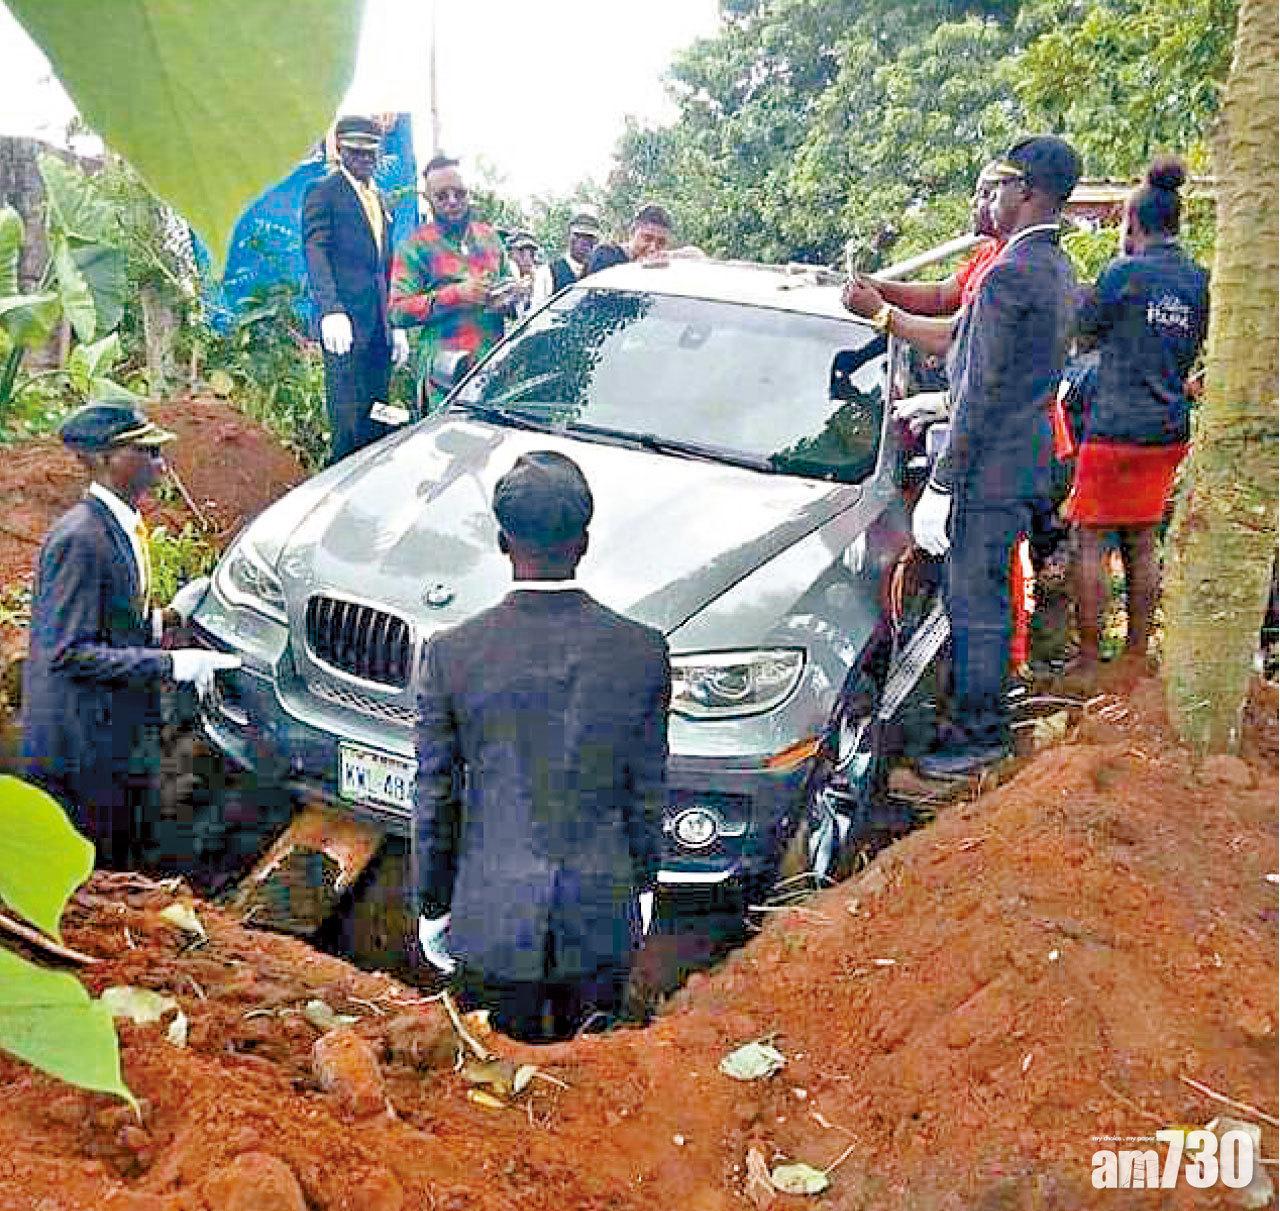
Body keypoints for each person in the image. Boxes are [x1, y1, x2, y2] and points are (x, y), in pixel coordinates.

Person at [410, 451, 670, 1042]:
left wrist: (433, 905)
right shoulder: (641, 651)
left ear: (504, 543)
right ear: (583, 542)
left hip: (490, 921)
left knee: (497, 1090)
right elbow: (646, 790)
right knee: (587, 1090)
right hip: (601, 913)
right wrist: (645, 886)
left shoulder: (454, 654)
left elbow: (436, 799)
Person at [909, 136, 1081, 778]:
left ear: (1027, 192)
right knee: (987, 601)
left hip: (992, 465)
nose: (989, 199)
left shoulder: (1011, 274)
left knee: (975, 603)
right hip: (1021, 457)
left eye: (998, 187)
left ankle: (977, 737)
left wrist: (944, 483)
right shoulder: (1053, 267)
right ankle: (979, 721)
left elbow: (981, 391)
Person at [20, 404, 240, 868]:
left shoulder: (117, 527)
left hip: (114, 740)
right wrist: (172, 664)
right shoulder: (80, 539)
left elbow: (110, 624)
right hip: (81, 750)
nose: (160, 462)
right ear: (103, 460)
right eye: (145, 451)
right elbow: (68, 652)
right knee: (93, 874)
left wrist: (170, 619)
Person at [1066, 156, 1209, 679]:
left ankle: (1086, 658)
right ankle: (1136, 654)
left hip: (1114, 427)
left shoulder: (1124, 273)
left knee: (1090, 539)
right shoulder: (1198, 279)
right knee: (1142, 539)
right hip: (1168, 428)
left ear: (1136, 224)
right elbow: (1190, 349)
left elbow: (1084, 332)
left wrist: (1117, 260)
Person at [302, 115, 410, 463]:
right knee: (347, 417)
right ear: (340, 151)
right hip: (345, 325)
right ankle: (344, 493)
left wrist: (396, 322)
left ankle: (374, 479)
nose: (365, 160)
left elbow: (384, 265)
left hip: (379, 323)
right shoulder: (324, 193)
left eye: (370, 154)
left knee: (377, 412)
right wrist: (331, 309)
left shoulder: (379, 199)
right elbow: (316, 251)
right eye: (356, 152)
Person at [388, 154, 517, 408]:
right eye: (442, 196)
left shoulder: (489, 238)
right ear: (429, 200)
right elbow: (397, 311)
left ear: (469, 194)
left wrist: (510, 298)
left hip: (491, 370)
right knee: (446, 444)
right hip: (444, 377)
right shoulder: (416, 246)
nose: (452, 202)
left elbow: (508, 288)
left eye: (459, 193)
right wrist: (458, 295)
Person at [529, 208, 602, 310]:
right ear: (568, 236)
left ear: (595, 241)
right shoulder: (547, 273)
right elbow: (536, 311)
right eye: (577, 236)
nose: (583, 242)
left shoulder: (599, 274)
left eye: (588, 237)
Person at [586, 204, 673, 274]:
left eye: (661, 243)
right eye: (647, 238)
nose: (653, 248)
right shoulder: (605, 255)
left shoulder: (661, 266)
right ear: (632, 232)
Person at [505, 229, 540, 317]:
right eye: (521, 252)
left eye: (531, 253)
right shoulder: (502, 280)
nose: (527, 259)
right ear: (511, 254)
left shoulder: (538, 281)